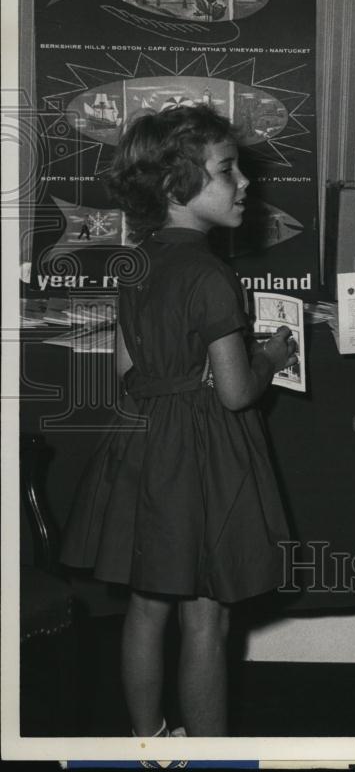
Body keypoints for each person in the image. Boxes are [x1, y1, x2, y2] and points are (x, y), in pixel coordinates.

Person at [60, 105, 297, 737]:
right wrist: (271, 353)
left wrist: (181, 374)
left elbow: (127, 372)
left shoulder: (135, 265)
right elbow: (238, 393)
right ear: (177, 187)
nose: (245, 182)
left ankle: (147, 741)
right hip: (202, 458)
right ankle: (211, 754)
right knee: (206, 617)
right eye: (227, 170)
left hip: (144, 448)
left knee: (144, 606)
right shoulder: (211, 274)